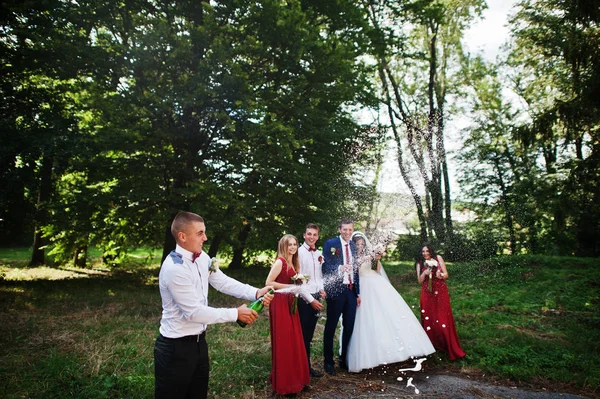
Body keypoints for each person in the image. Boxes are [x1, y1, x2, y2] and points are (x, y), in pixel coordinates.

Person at [154, 211, 274, 399]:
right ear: (182, 236)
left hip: (199, 344)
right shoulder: (174, 269)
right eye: (200, 233)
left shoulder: (202, 257)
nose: (206, 237)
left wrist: (256, 292)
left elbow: (222, 282)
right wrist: (235, 314)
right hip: (175, 349)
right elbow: (193, 313)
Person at [346, 232, 435, 372]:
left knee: (389, 313)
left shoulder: (369, 253)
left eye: (362, 244)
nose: (360, 246)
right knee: (366, 318)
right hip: (362, 285)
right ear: (353, 245)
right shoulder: (351, 257)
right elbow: (354, 270)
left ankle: (400, 350)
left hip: (374, 281)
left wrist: (377, 258)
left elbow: (377, 269)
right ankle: (369, 354)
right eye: (357, 244)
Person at [265, 234, 311, 395]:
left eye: (294, 244)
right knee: (284, 340)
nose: (292, 247)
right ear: (283, 246)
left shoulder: (294, 261)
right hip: (279, 302)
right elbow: (268, 283)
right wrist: (290, 286)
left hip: (290, 302)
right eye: (289, 244)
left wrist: (299, 283)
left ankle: (296, 379)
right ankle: (285, 384)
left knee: (293, 339)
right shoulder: (280, 262)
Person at [322, 218, 360, 375]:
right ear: (339, 229)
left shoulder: (353, 245)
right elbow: (325, 266)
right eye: (345, 229)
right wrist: (339, 268)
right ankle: (328, 362)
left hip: (351, 292)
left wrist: (357, 292)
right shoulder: (331, 244)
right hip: (336, 292)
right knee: (331, 327)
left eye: (350, 230)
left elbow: (356, 270)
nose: (347, 232)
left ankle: (343, 359)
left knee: (349, 327)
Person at [416, 243, 466, 360]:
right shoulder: (419, 263)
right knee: (429, 316)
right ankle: (431, 345)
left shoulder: (438, 258)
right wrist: (425, 273)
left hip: (440, 290)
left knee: (442, 317)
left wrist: (440, 275)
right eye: (423, 252)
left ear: (431, 251)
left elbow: (446, 274)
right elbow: (419, 280)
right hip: (427, 292)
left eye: (427, 251)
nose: (425, 253)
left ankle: (446, 343)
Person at [297, 223, 326, 377]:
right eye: (309, 234)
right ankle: (303, 369)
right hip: (304, 299)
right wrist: (310, 300)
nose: (311, 237)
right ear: (304, 235)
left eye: (314, 234)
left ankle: (306, 367)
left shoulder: (318, 253)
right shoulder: (299, 253)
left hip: (316, 296)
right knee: (303, 335)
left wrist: (321, 290)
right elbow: (298, 280)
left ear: (317, 236)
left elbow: (319, 276)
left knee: (309, 335)